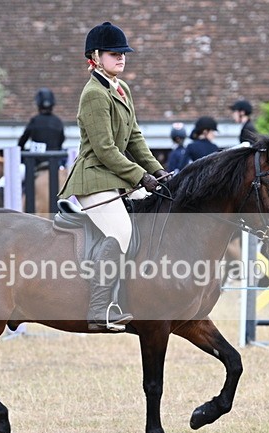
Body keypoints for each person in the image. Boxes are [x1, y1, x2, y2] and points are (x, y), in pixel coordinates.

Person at [58, 21, 170, 332]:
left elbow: (134, 138)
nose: (120, 57)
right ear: (94, 57)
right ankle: (98, 310)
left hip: (116, 178)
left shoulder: (122, 89)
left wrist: (158, 171)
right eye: (113, 53)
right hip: (94, 178)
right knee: (121, 231)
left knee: (153, 213)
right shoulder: (94, 93)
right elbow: (105, 149)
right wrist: (140, 176)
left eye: (123, 52)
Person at [18, 88, 66, 167]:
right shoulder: (58, 122)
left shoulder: (34, 121)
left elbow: (23, 140)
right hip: (55, 163)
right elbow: (61, 141)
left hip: (36, 163)